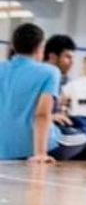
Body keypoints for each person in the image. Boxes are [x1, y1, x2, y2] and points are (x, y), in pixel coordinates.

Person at [0, 22, 60, 164]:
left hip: (3, 150)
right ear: (40, 47)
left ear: (13, 46)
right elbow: (42, 114)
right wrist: (40, 154)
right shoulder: (49, 72)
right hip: (34, 147)